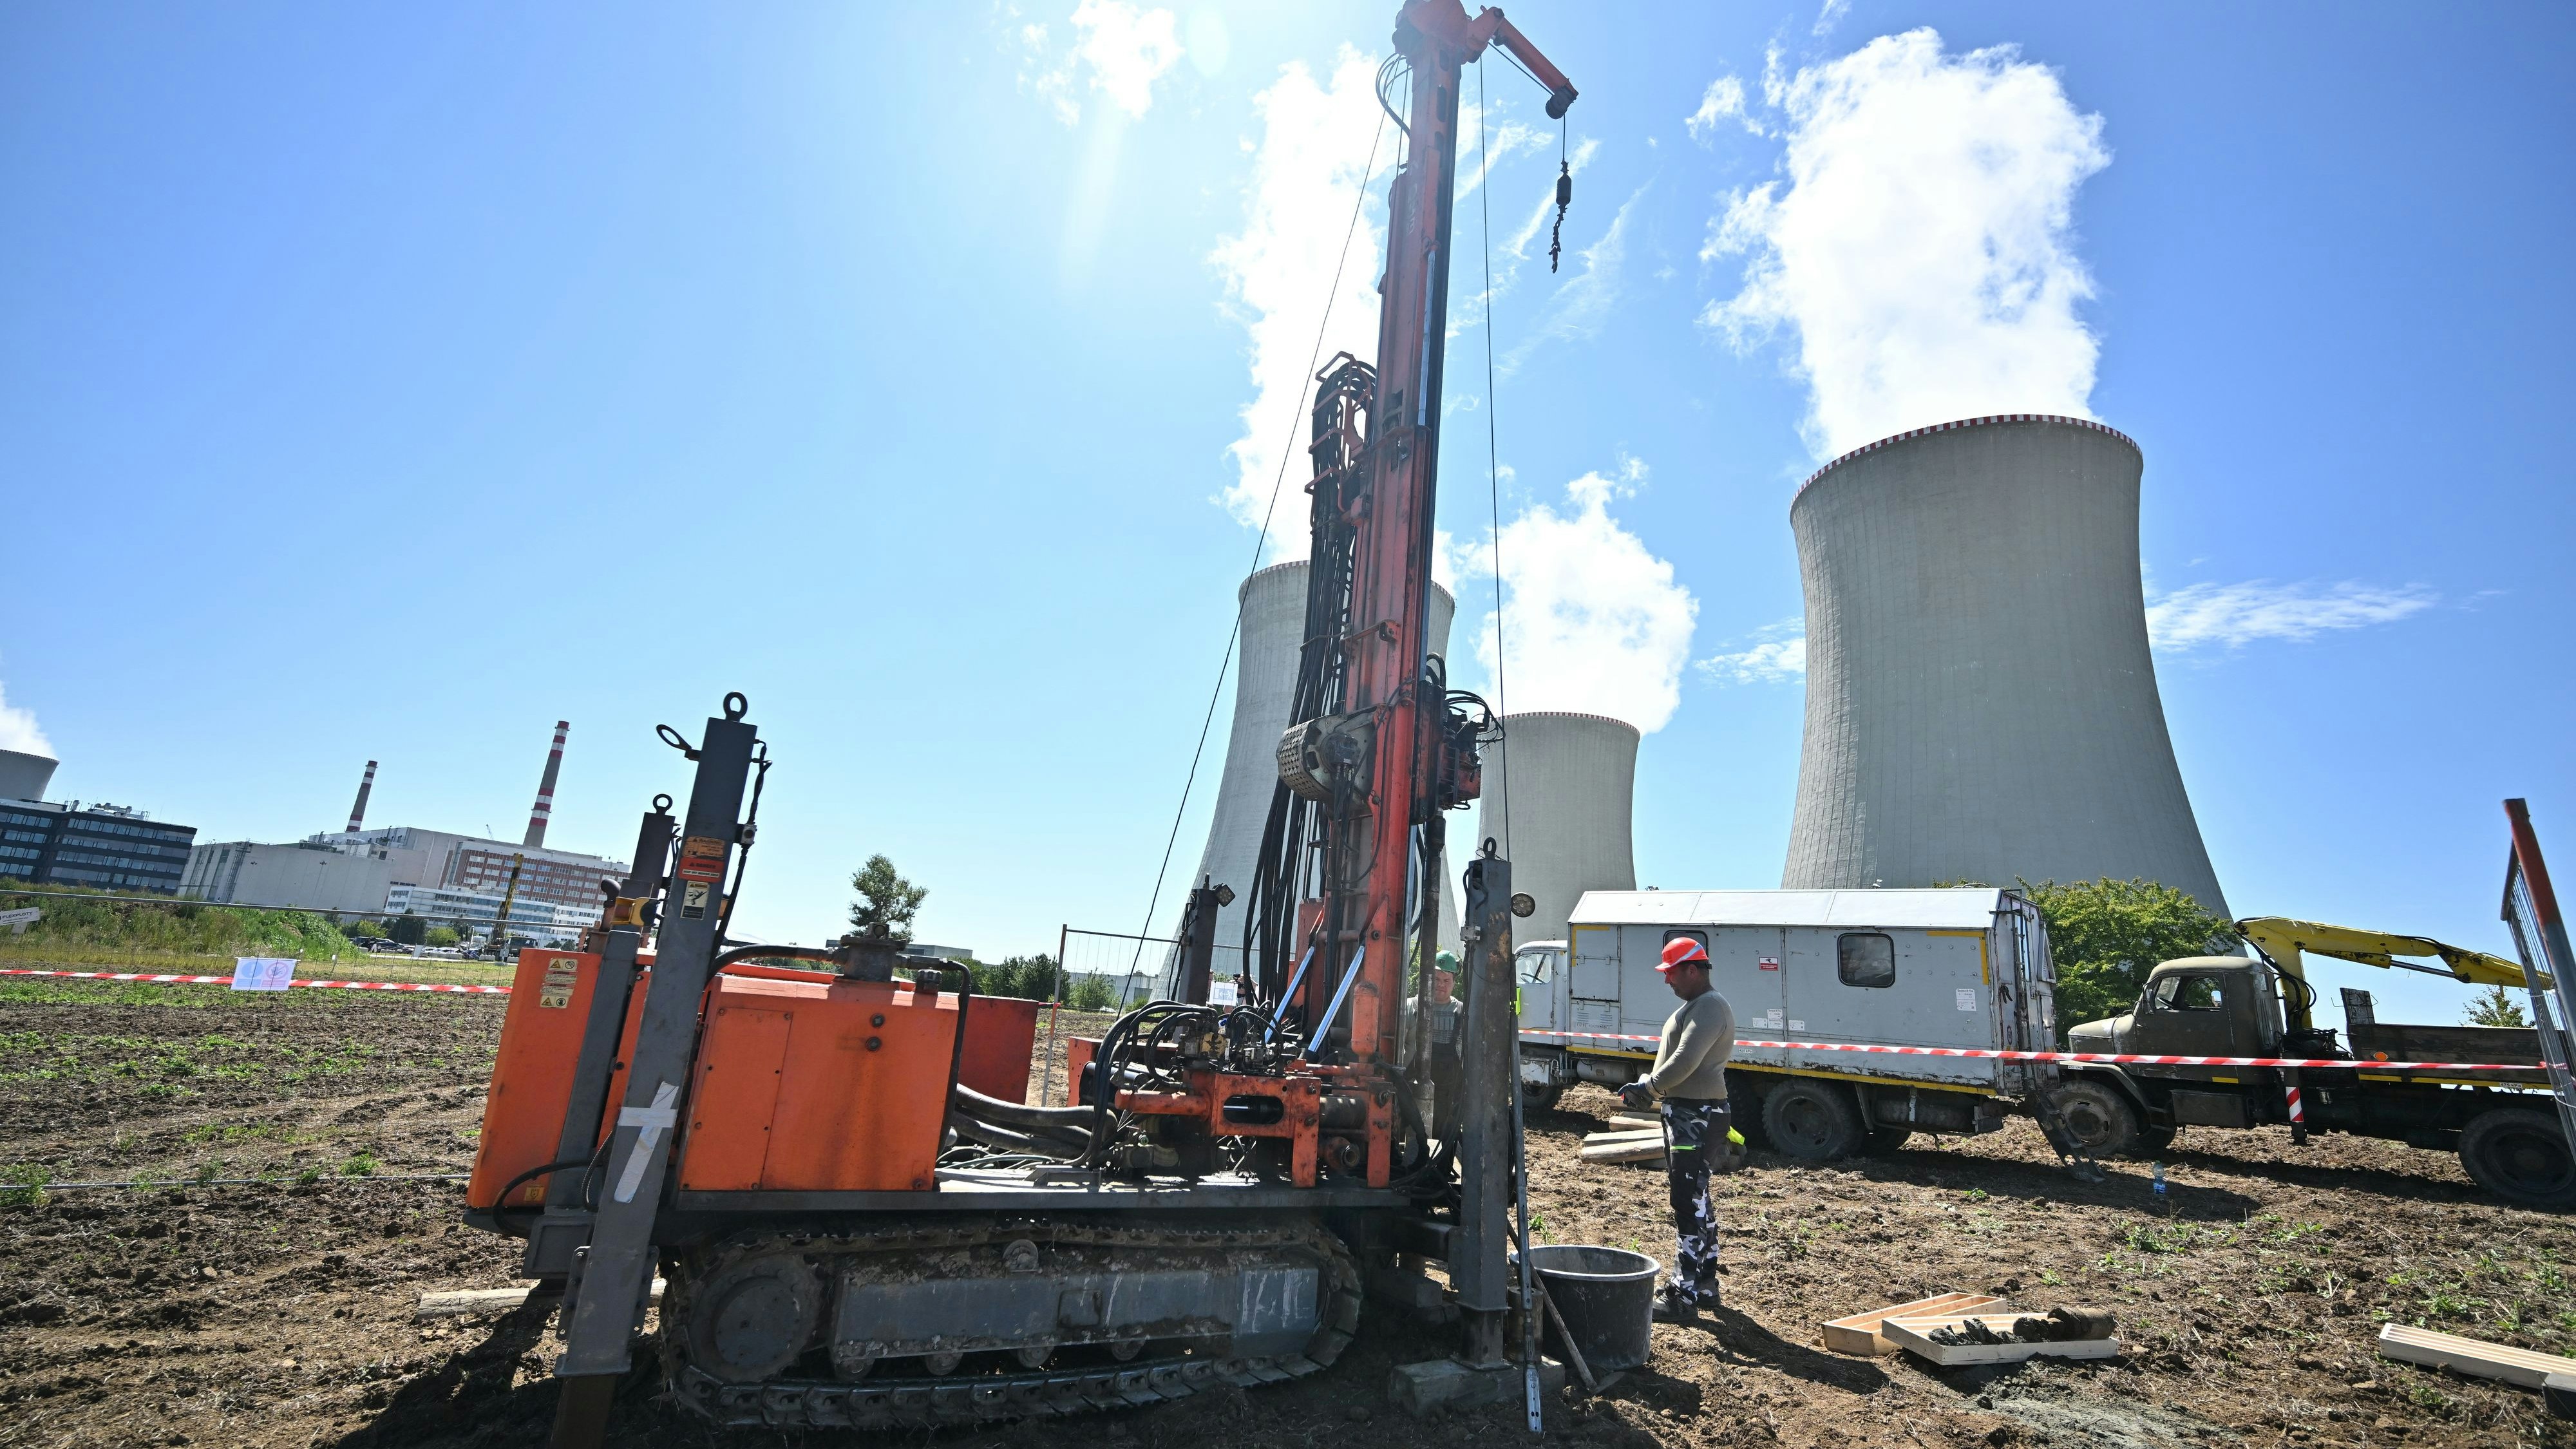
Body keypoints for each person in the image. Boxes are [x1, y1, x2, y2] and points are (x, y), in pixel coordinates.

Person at [1618, 935, 1735, 1320]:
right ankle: (1704, 1285)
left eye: (1671, 972)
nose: (1667, 980)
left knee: (1687, 1201)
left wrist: (1649, 1088)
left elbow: (1685, 1060)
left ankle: (1683, 1296)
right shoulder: (1698, 1006)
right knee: (1698, 1199)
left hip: (1696, 1115)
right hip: (1690, 1113)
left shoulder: (1710, 1007)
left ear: (1692, 969)